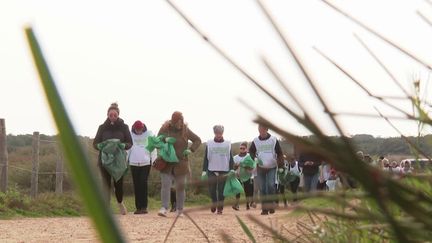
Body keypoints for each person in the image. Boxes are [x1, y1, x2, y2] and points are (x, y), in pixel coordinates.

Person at [157, 111, 201, 217]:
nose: (180, 124)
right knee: (165, 185)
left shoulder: (185, 130)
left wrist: (191, 150)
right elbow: (157, 140)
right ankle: (164, 208)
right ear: (173, 121)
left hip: (181, 163)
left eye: (181, 121)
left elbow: (197, 140)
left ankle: (180, 209)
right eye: (178, 122)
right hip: (166, 163)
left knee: (180, 187)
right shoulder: (164, 129)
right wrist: (164, 139)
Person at [93, 103, 132, 215]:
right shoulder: (102, 127)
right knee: (106, 184)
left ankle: (120, 203)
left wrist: (124, 145)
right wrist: (99, 146)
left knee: (118, 183)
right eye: (111, 114)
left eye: (115, 114)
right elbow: (95, 143)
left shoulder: (124, 127)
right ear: (108, 115)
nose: (113, 116)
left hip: (118, 160)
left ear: (118, 115)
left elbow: (130, 142)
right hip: (104, 160)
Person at [249, 124, 284, 215]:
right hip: (260, 167)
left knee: (270, 185)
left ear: (267, 129)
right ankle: (265, 209)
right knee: (263, 188)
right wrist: (254, 158)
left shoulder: (273, 139)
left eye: (263, 129)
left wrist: (281, 166)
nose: (261, 131)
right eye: (259, 129)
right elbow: (251, 151)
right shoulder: (256, 141)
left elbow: (280, 153)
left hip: (272, 166)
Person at [202, 125, 234, 214]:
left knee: (221, 190)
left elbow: (230, 157)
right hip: (211, 169)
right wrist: (204, 170)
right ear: (214, 133)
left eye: (220, 133)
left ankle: (220, 208)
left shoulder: (227, 143)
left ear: (222, 133)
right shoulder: (209, 143)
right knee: (212, 189)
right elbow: (206, 157)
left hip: (224, 169)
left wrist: (231, 169)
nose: (219, 135)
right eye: (217, 133)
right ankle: (214, 202)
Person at [128, 120, 157, 214]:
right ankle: (138, 207)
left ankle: (144, 207)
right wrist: (125, 161)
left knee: (143, 183)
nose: (138, 131)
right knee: (136, 185)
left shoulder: (149, 135)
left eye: (140, 129)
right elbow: (127, 149)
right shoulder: (130, 135)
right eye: (137, 129)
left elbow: (153, 148)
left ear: (143, 127)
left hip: (145, 163)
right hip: (133, 163)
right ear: (134, 128)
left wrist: (154, 160)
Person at [232, 142, 254, 210]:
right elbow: (233, 168)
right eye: (240, 148)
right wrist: (235, 166)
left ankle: (247, 204)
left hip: (247, 176)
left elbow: (251, 167)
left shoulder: (249, 157)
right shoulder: (235, 157)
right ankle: (237, 204)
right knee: (237, 190)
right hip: (237, 175)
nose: (242, 149)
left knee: (247, 191)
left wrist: (243, 165)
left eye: (243, 148)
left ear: (246, 149)